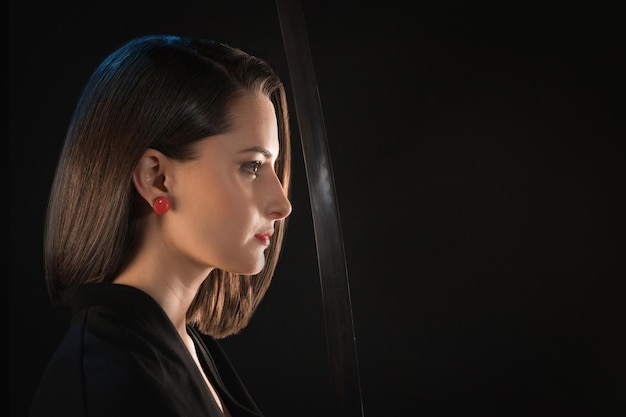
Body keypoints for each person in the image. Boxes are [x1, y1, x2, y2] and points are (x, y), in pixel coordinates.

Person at [29, 34, 293, 417]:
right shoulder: (107, 382)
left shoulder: (182, 345)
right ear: (156, 178)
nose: (282, 204)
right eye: (252, 166)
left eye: (272, 167)